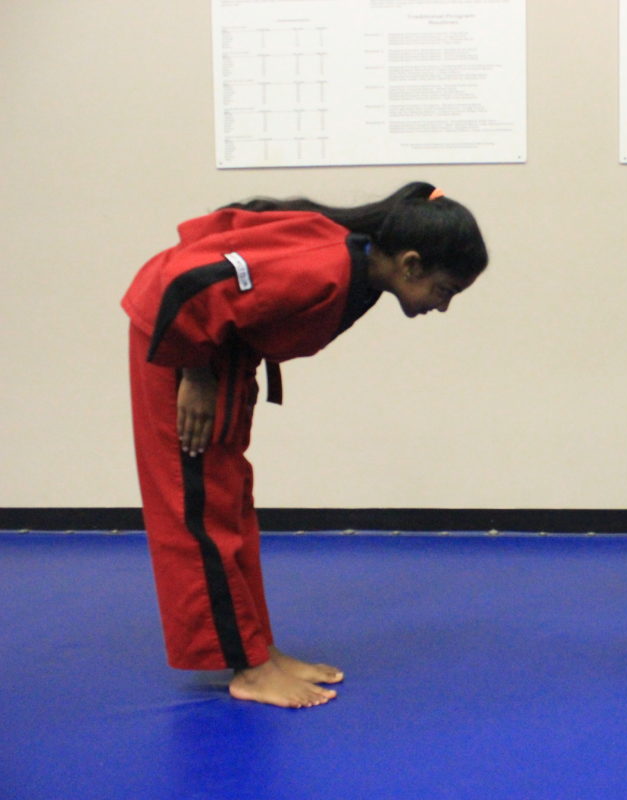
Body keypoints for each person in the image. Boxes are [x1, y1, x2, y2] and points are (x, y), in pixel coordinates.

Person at [123, 182, 487, 708]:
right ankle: (248, 671)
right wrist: (196, 375)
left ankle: (257, 649)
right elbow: (186, 283)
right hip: (180, 346)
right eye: (444, 291)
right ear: (410, 264)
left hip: (215, 348)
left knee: (230, 501)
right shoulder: (325, 266)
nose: (443, 307)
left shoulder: (361, 270)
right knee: (197, 510)